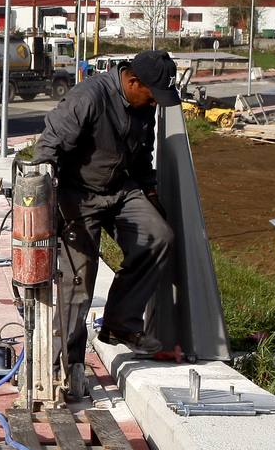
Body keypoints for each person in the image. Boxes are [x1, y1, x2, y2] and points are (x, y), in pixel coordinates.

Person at [31, 50, 180, 372]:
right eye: (153, 96)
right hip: (78, 195)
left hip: (120, 189)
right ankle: (63, 365)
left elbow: (142, 158)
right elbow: (49, 144)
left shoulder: (142, 105)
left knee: (159, 237)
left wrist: (152, 196)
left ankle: (120, 324)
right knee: (78, 281)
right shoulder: (89, 97)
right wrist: (44, 189)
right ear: (133, 80)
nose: (155, 103)